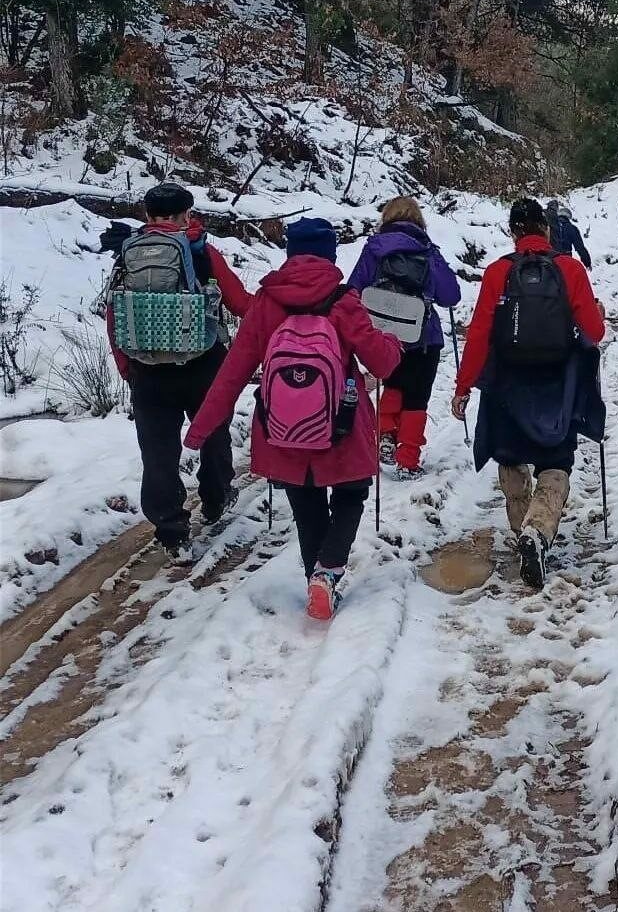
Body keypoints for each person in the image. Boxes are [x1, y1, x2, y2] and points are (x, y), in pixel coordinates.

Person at [184, 218, 401, 620]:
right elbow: (382, 362)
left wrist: (200, 430)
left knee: (306, 503)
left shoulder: (267, 302)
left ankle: (314, 579)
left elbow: (233, 371)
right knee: (351, 494)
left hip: (282, 429)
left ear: (290, 253)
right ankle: (328, 572)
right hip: (341, 423)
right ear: (331, 254)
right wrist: (391, 343)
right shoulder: (342, 300)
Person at [450, 198, 606, 589]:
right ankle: (538, 531)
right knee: (556, 462)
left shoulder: (497, 272)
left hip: (507, 383)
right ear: (546, 229)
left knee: (511, 458)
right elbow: (595, 331)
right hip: (558, 384)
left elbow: (480, 334)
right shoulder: (569, 269)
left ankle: (523, 529)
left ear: (513, 232)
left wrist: (463, 386)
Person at [104, 182, 252, 561]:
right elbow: (238, 304)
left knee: (157, 452)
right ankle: (216, 499)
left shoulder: (128, 254)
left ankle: (172, 532)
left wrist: (129, 369)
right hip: (204, 365)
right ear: (186, 213)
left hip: (147, 370)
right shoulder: (200, 251)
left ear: (148, 215)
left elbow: (114, 314)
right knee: (214, 435)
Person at [347, 196, 461, 478]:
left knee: (393, 385)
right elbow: (450, 296)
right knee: (417, 397)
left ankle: (385, 436)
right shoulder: (428, 250)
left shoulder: (374, 249)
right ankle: (407, 460)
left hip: (383, 334)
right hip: (423, 336)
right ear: (419, 220)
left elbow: (352, 290)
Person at [545, 200, 592, 270]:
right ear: (569, 217)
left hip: (550, 258)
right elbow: (580, 247)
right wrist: (587, 263)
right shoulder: (572, 228)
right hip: (566, 258)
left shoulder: (551, 225)